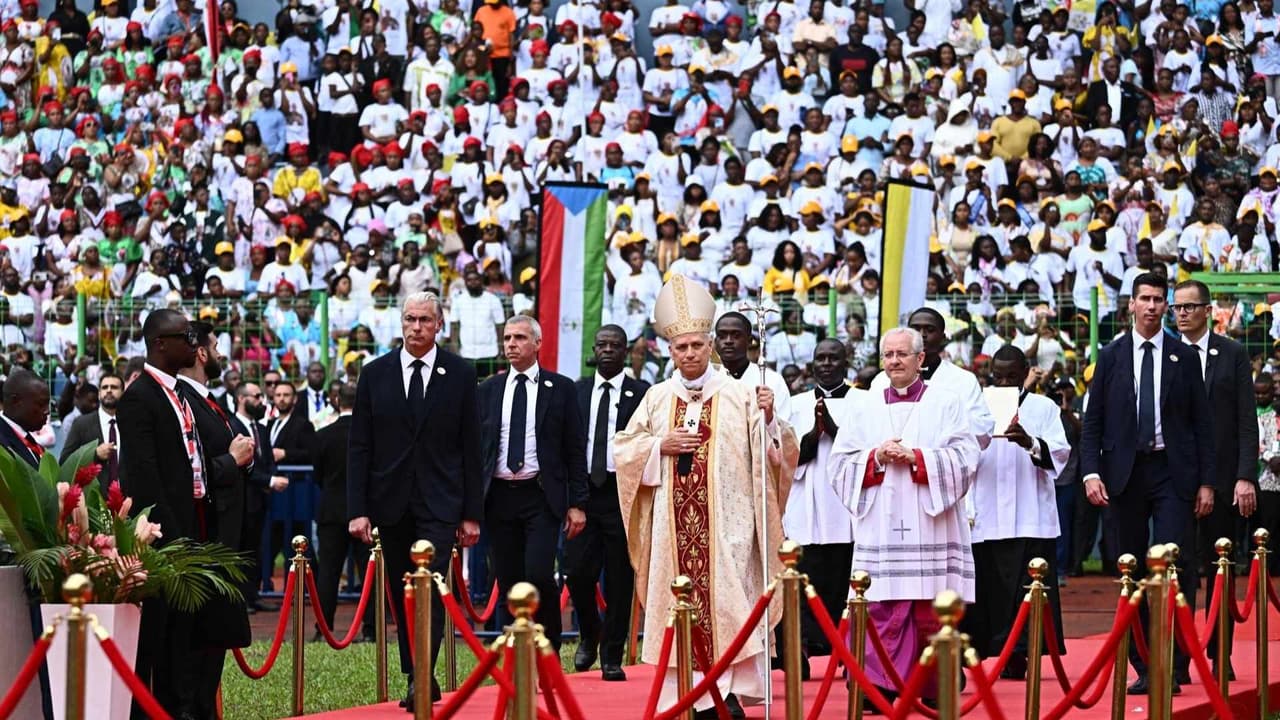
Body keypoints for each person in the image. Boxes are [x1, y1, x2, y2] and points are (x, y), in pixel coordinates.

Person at [615, 274, 799, 720]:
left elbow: (777, 454)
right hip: (672, 531)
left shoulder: (741, 395)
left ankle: (728, 693)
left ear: (710, 345)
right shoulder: (657, 398)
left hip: (729, 528)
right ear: (670, 351)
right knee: (680, 605)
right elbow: (623, 449)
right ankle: (689, 695)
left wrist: (769, 419)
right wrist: (659, 446)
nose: (690, 353)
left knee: (729, 604)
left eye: (697, 345)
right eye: (681, 347)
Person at [347, 291, 483, 711]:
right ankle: (414, 671)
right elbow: (360, 446)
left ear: (439, 324)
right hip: (390, 502)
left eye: (425, 320)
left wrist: (472, 514)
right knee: (401, 590)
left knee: (431, 589)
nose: (416, 327)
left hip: (441, 503)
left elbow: (471, 446)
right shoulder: (375, 374)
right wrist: (357, 509)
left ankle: (422, 675)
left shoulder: (461, 374)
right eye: (410, 319)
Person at [828, 326, 979, 703]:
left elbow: (966, 457)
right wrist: (876, 457)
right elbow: (839, 463)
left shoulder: (946, 402)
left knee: (929, 606)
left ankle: (932, 684)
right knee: (879, 603)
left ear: (920, 359)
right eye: (888, 355)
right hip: (880, 521)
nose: (894, 361)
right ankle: (875, 684)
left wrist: (918, 458)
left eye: (902, 354)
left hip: (931, 523)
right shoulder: (863, 405)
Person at [1081, 272, 1214, 693]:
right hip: (1125, 473)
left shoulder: (1183, 356)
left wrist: (1207, 482)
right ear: (1132, 305)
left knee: (1174, 564)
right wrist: (1090, 472)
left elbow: (1202, 423)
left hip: (1173, 471)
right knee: (1131, 566)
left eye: (1159, 299)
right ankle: (1143, 661)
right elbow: (1093, 421)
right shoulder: (1111, 356)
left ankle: (1174, 661)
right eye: (1145, 299)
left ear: (1166, 306)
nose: (1152, 306)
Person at [116, 309, 210, 718]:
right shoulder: (139, 399)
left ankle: (179, 708)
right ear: (159, 344)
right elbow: (145, 480)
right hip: (162, 539)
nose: (194, 344)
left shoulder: (182, 393)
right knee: (156, 637)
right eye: (186, 337)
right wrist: (174, 537)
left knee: (183, 638)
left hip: (193, 525)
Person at [477, 314, 587, 651]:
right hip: (498, 496)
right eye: (508, 338)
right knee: (508, 578)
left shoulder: (561, 388)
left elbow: (574, 449)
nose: (511, 344)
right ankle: (516, 652)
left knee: (539, 574)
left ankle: (548, 646)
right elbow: (476, 448)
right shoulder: (488, 390)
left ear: (538, 343)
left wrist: (577, 503)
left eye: (520, 338)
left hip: (541, 495)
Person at [963, 345, 1070, 678]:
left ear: (1026, 372)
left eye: (1012, 376)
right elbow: (962, 451)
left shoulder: (1044, 407)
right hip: (987, 513)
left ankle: (1022, 652)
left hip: (1029, 513)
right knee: (990, 589)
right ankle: (991, 649)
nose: (1005, 382)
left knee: (1029, 587)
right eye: (999, 376)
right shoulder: (977, 406)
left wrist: (1030, 442)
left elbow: (1061, 453)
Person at [1171, 279, 1257, 677]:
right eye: (1177, 307)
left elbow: (1245, 419)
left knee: (1220, 568)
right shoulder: (1166, 353)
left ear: (1208, 310)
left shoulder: (1232, 353)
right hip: (1176, 482)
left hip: (1223, 481)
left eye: (1190, 306)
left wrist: (1245, 476)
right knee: (1180, 571)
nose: (1182, 313)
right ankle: (1178, 661)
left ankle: (1221, 656)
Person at [174, 320, 255, 706]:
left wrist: (243, 459)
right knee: (198, 648)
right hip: (205, 537)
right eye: (218, 346)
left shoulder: (207, 399)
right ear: (202, 352)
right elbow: (191, 468)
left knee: (214, 643)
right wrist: (232, 460)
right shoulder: (184, 401)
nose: (223, 354)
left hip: (225, 538)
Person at [566, 324, 649, 681]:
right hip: (583, 493)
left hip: (622, 492)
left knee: (619, 578)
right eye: (602, 344)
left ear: (626, 351)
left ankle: (611, 654)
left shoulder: (641, 393)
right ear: (594, 349)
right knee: (576, 573)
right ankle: (590, 631)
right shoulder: (576, 391)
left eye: (616, 345)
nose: (608, 350)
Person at [783, 338, 859, 666]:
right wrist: (814, 437)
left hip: (847, 509)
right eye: (821, 358)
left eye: (833, 358)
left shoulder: (863, 401)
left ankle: (850, 654)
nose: (826, 364)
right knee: (805, 580)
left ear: (846, 362)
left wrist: (835, 430)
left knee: (845, 581)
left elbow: (866, 452)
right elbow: (784, 456)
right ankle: (801, 650)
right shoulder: (795, 404)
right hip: (806, 507)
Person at [869, 307, 994, 450]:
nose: (922, 335)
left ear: (943, 338)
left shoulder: (963, 380)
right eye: (915, 329)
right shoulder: (882, 381)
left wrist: (943, 416)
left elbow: (983, 432)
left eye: (930, 329)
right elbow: (870, 427)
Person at [312, 383, 374, 640]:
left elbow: (318, 475)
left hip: (331, 512)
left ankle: (323, 629)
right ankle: (371, 630)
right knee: (369, 573)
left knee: (328, 573)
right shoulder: (372, 436)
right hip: (365, 511)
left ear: (337, 401)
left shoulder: (323, 435)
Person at [231, 382, 287, 614]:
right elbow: (243, 466)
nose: (261, 401)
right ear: (241, 399)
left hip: (261, 500)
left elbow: (268, 461)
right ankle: (240, 599)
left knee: (256, 548)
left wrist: (270, 478)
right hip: (241, 499)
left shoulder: (261, 429)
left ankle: (253, 595)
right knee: (241, 549)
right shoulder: (231, 427)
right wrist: (269, 481)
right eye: (256, 396)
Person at [714, 311, 792, 422]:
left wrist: (769, 416)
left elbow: (784, 425)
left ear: (750, 341)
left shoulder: (772, 380)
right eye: (722, 336)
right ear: (715, 342)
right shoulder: (708, 380)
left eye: (736, 335)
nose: (728, 341)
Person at [59, 372, 124, 490]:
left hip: (126, 497)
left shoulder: (131, 423)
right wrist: (94, 454)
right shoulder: (81, 424)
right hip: (93, 497)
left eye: (114, 387)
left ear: (123, 393)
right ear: (99, 394)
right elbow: (65, 461)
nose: (109, 390)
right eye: (105, 387)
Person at [0, 369, 51, 468]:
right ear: (15, 401)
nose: (47, 411)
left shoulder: (29, 440)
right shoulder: (3, 444)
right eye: (41, 404)